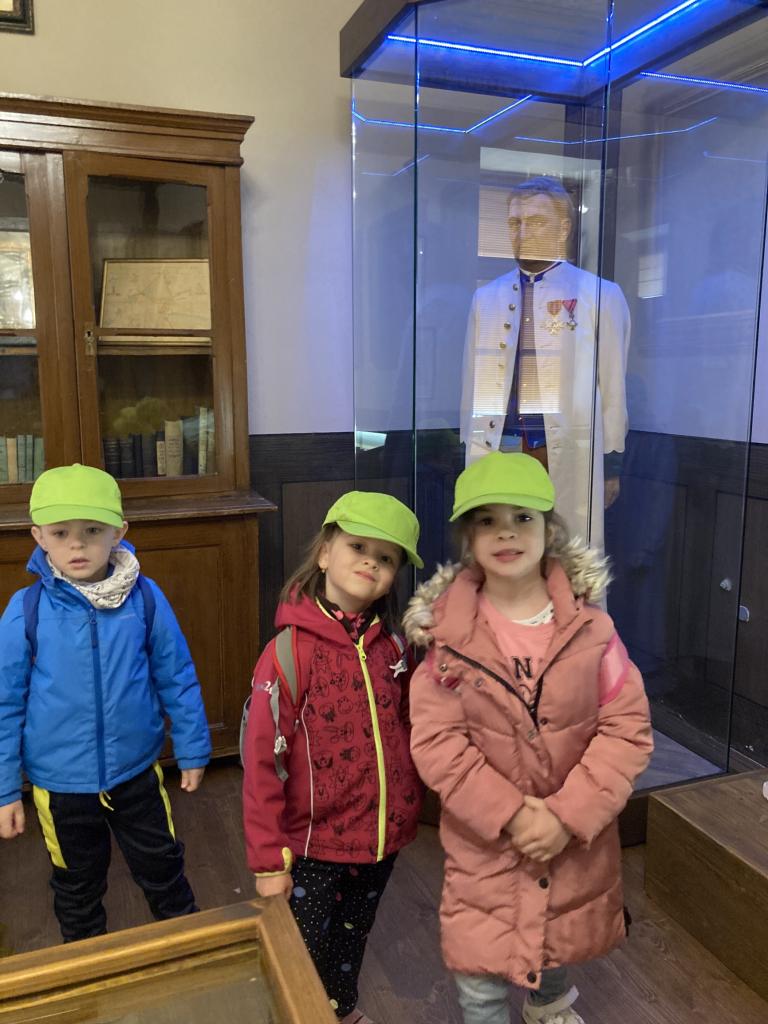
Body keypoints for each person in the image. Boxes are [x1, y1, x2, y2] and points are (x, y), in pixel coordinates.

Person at [404, 452, 652, 1024]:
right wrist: (513, 815)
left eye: (522, 517)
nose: (506, 532)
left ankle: (549, 1007)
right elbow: (440, 745)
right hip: (486, 840)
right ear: (469, 538)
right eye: (487, 520)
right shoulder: (448, 640)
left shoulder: (593, 632)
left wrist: (565, 816)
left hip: (571, 834)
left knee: (556, 932)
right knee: (480, 966)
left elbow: (626, 729)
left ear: (548, 530)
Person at [0, 463, 211, 942]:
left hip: (136, 773)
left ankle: (190, 948)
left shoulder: (145, 598)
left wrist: (193, 747)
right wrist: (6, 790)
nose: (77, 545)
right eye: (61, 533)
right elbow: (5, 705)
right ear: (38, 537)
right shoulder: (25, 611)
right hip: (60, 787)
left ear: (119, 532)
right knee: (77, 888)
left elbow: (176, 675)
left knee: (163, 868)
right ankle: (87, 964)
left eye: (93, 531)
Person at [242, 491, 424, 1024]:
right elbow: (261, 765)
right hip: (314, 844)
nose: (371, 561)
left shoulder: (395, 646)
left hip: (380, 838)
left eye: (386, 557)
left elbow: (413, 723)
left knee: (351, 935)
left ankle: (339, 1009)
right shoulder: (287, 653)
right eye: (358, 547)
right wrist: (267, 861)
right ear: (324, 553)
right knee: (300, 950)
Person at [460, 177, 630, 550]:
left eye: (536, 221)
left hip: (567, 451)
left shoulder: (600, 295)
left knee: (566, 547)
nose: (523, 233)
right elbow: (472, 385)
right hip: (500, 448)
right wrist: (470, 449)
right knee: (501, 547)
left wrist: (612, 465)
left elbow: (613, 388)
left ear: (563, 228)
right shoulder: (486, 298)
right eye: (515, 222)